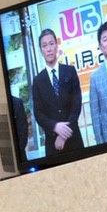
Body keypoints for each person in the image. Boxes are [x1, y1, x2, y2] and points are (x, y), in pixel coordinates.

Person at [31, 28, 83, 161]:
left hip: (74, 139)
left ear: (56, 45)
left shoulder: (70, 71)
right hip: (52, 143)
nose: (48, 49)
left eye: (51, 44)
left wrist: (63, 135)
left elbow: (76, 105)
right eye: (44, 45)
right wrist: (55, 127)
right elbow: (38, 113)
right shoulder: (37, 81)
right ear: (41, 50)